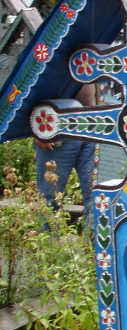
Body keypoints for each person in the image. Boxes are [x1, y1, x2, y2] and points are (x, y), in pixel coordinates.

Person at [34, 84, 96, 229]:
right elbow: (28, 81)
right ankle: (47, 249)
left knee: (97, 197)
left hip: (92, 122)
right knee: (50, 200)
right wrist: (34, 127)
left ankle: (93, 249)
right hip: (54, 125)